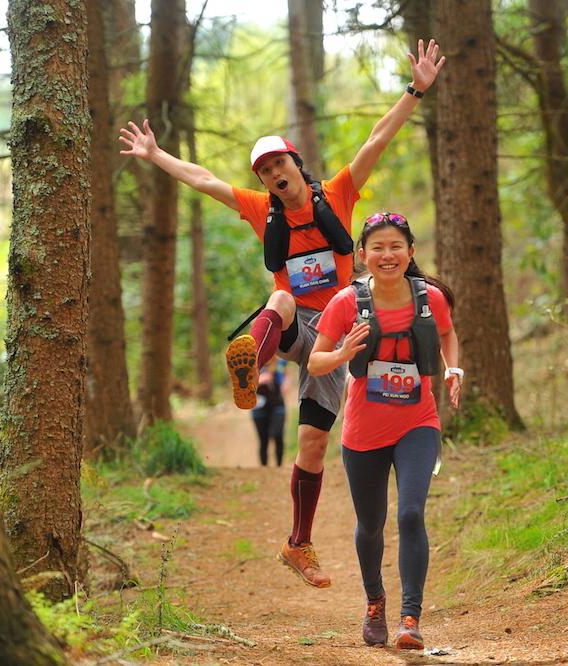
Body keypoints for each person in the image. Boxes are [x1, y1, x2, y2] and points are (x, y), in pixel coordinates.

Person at [118, 40, 446, 590]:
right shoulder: (257, 208)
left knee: (313, 445)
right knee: (280, 299)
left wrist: (416, 89)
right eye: (264, 168)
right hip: (293, 328)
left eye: (278, 162)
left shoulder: (337, 194)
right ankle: (251, 364)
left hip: (342, 331)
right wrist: (156, 155)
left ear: (297, 163)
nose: (272, 172)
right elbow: (202, 179)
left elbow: (377, 139)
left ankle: (299, 544)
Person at [308, 212, 462, 650]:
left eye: (396, 246)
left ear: (411, 253)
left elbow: (447, 335)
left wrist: (454, 368)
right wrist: (342, 354)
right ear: (363, 255)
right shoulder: (345, 303)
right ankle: (375, 601)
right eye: (377, 247)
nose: (387, 254)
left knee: (411, 513)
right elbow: (315, 362)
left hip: (418, 421)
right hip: (363, 431)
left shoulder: (431, 298)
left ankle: (410, 619)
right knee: (371, 524)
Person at [252, 358, 287, 467]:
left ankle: (279, 466)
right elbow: (243, 386)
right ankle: (264, 468)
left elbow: (285, 375)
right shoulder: (252, 365)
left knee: (278, 435)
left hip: (277, 405)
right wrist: (259, 380)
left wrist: (286, 383)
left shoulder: (280, 364)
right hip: (259, 408)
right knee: (263, 439)